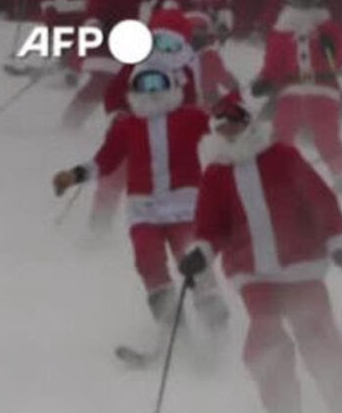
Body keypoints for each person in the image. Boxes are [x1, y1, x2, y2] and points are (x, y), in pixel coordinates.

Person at [181, 93, 342, 413]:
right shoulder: (217, 173)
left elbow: (321, 201)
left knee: (317, 337)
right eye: (221, 125)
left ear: (249, 122)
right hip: (253, 273)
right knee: (265, 341)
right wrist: (200, 254)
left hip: (302, 267)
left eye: (234, 122)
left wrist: (341, 246)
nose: (228, 130)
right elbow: (210, 226)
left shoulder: (282, 157)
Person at [52, 67, 230, 344]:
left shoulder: (191, 117)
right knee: (148, 261)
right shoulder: (128, 126)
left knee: (193, 258)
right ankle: (172, 326)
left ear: (171, 86)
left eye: (158, 85)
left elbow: (224, 127)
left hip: (184, 206)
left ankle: (215, 321)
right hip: (144, 211)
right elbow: (105, 161)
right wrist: (73, 176)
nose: (151, 93)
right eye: (143, 87)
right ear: (133, 92)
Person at [253, 0, 342, 192]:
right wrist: (264, 79)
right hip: (292, 88)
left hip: (322, 86)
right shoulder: (282, 29)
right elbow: (274, 63)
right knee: (283, 130)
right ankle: (277, 176)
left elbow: (339, 61)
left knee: (325, 133)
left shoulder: (327, 26)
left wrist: (331, 49)